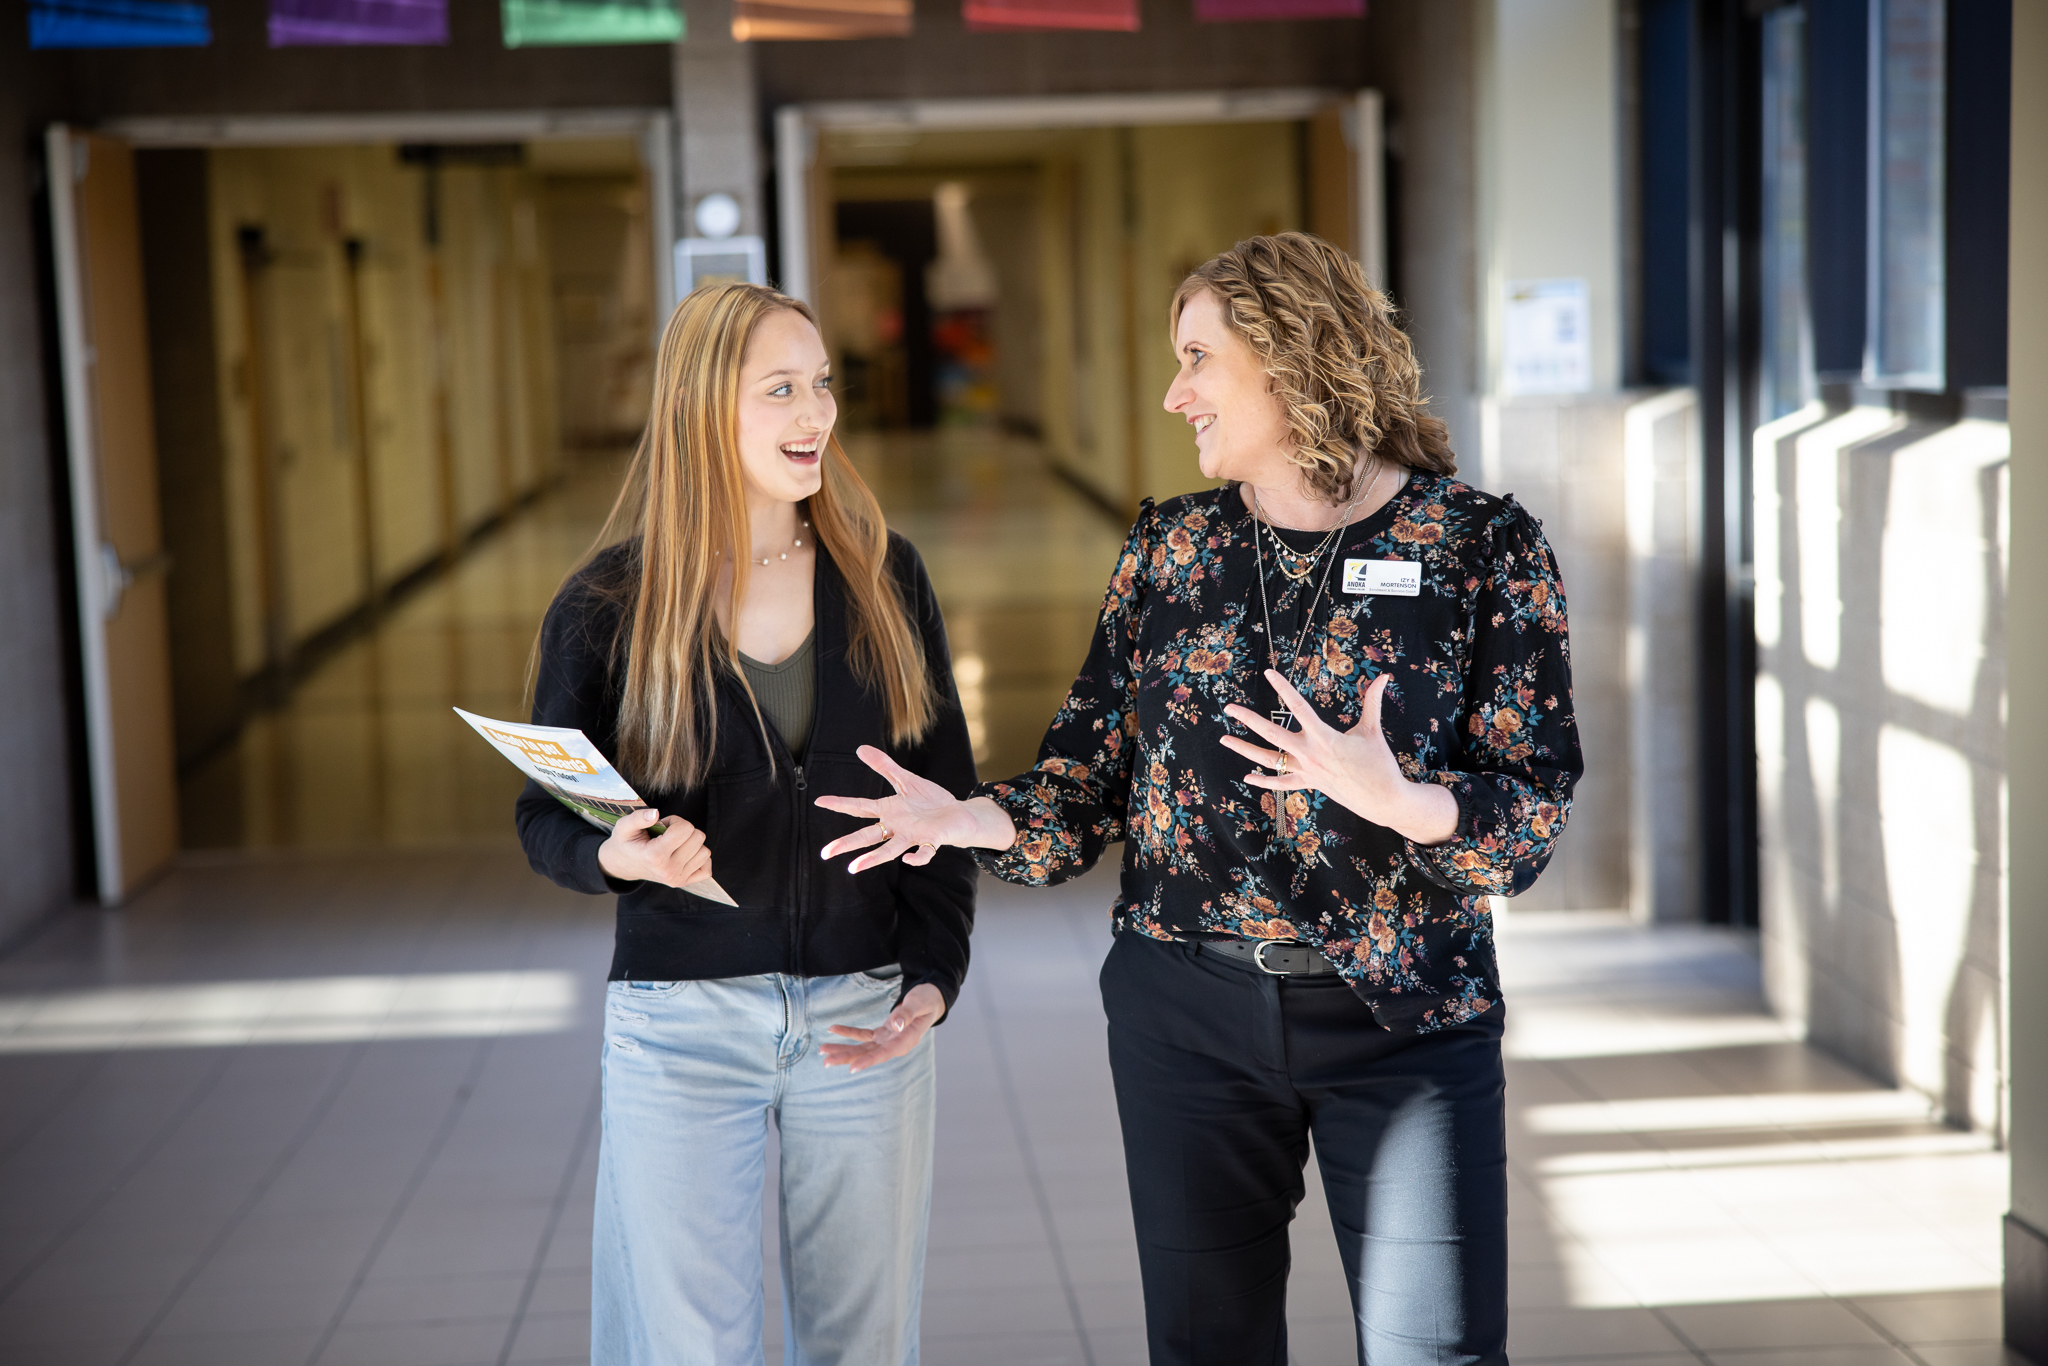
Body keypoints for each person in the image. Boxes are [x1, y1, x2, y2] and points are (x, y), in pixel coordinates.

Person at [817, 232, 1579, 1366]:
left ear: (1289, 360)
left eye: (1196, 360)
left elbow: (1529, 816)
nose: (1174, 395)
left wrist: (1402, 798)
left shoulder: (1481, 547)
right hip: (1187, 1016)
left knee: (1440, 1351)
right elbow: (1085, 785)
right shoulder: (1172, 551)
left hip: (1406, 1017)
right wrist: (972, 818)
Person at [517, 282, 977, 1366]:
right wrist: (611, 857)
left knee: (861, 1345)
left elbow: (942, 805)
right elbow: (546, 817)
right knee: (689, 1349)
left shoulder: (883, 576)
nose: (813, 412)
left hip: (865, 1014)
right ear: (697, 409)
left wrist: (931, 981)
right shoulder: (608, 604)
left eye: (821, 384)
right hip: (678, 1024)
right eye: (779, 388)